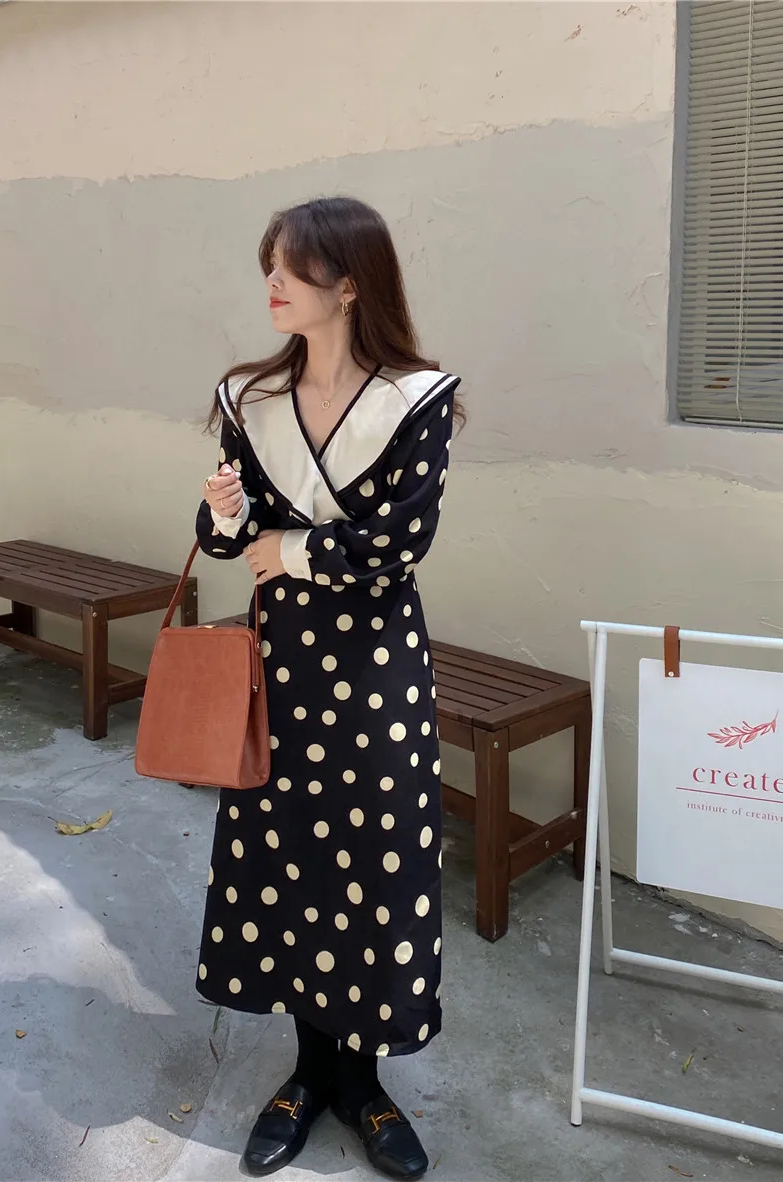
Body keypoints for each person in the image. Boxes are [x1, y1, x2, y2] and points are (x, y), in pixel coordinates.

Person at [195, 196, 462, 1180]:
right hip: (280, 666)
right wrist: (226, 515)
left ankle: (364, 1083)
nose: (271, 283)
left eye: (292, 267)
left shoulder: (416, 399)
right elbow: (224, 540)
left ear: (349, 284)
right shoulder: (250, 399)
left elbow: (399, 545)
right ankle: (309, 1074)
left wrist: (286, 550)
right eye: (267, 264)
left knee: (376, 861)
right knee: (290, 858)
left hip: (376, 670)